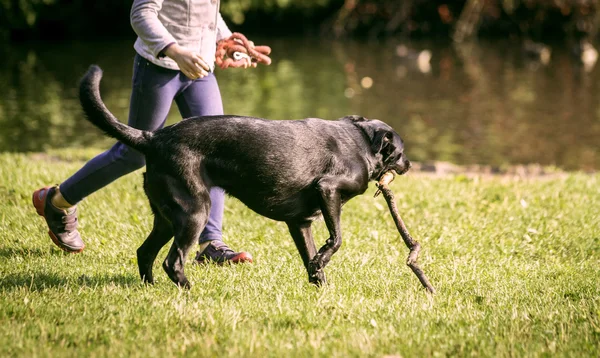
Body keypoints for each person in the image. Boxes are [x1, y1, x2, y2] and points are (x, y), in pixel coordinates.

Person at [33, 0, 265, 264]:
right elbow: (141, 14)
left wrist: (223, 39)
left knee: (215, 149)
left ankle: (211, 244)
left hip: (200, 71)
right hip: (158, 68)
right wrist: (176, 51)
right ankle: (58, 200)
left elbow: (205, 9)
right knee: (133, 153)